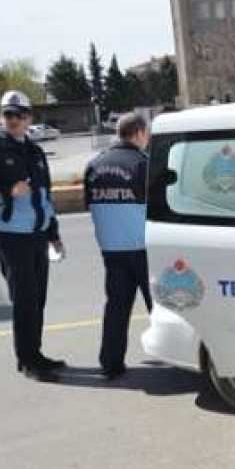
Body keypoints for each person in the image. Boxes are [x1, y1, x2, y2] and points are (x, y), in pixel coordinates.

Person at [0, 90, 66, 382]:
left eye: (19, 115)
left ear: (30, 117)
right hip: (8, 236)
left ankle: (36, 353)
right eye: (8, 114)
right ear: (2, 117)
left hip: (36, 234)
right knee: (24, 298)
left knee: (38, 298)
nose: (14, 120)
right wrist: (7, 192)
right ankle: (28, 361)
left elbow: (45, 195)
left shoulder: (34, 151)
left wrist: (53, 232)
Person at [83, 113, 153, 380]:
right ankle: (175, 357)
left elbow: (89, 205)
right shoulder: (142, 164)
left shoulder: (94, 164)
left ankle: (110, 363)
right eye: (146, 133)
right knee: (159, 306)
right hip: (142, 247)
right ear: (137, 133)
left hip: (111, 249)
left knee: (116, 306)